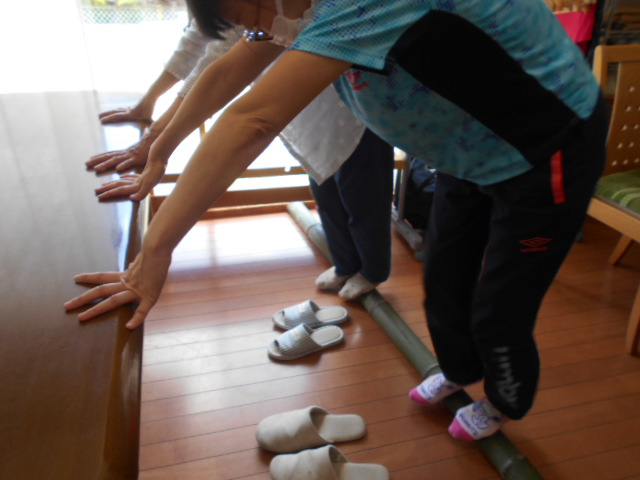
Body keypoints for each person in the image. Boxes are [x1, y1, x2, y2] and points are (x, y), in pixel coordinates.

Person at [65, 0, 607, 442]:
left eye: (255, 16)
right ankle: (461, 371)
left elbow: (252, 119)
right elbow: (228, 68)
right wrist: (158, 147)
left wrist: (155, 251)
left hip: (546, 149)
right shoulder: (300, 10)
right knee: (443, 282)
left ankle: (504, 402)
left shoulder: (361, 3)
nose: (261, 33)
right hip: (469, 153)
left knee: (500, 309)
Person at [88, 17, 394, 299]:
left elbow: (246, 113)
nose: (248, 27)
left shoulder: (301, 14)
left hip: (359, 108)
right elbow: (215, 60)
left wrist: (156, 247)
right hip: (305, 109)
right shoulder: (264, 23)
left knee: (362, 197)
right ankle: (345, 264)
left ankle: (372, 271)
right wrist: (157, 141)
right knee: (325, 191)